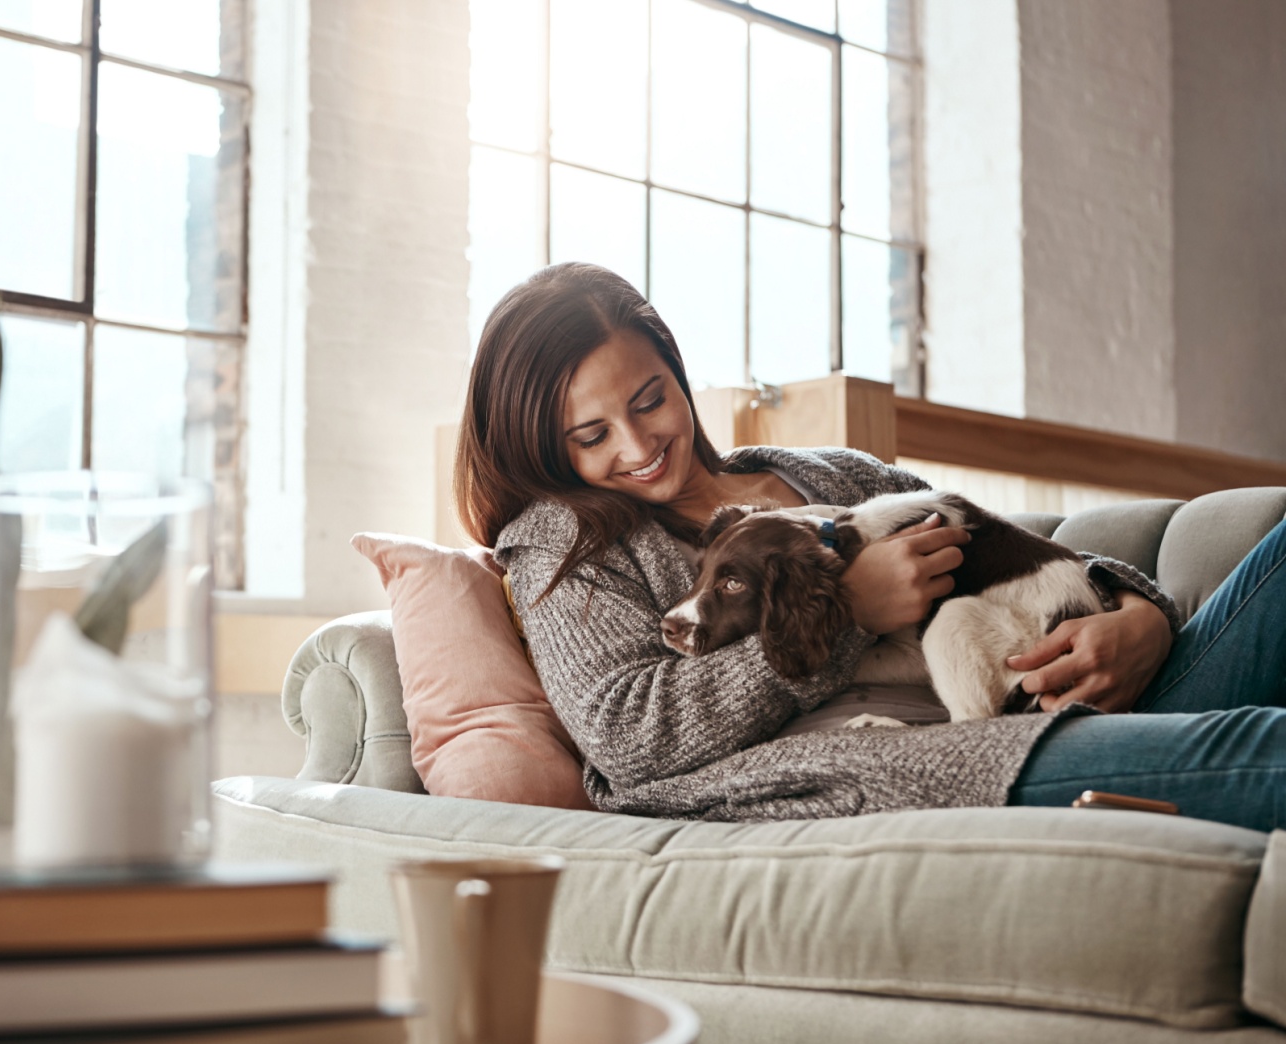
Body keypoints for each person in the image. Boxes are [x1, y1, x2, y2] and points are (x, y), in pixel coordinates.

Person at [455, 262, 1286, 831]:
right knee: (1265, 748)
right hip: (958, 752)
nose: (637, 445)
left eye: (651, 399)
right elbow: (630, 740)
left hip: (1078, 676)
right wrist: (849, 610)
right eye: (592, 434)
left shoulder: (828, 471)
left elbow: (1000, 545)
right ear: (544, 446)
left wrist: (1140, 616)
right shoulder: (565, 540)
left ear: (675, 370)